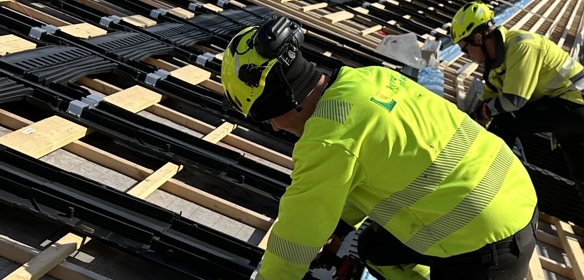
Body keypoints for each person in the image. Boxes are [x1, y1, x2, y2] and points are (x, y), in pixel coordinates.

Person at [221, 16, 539, 280]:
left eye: (266, 119)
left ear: (276, 100)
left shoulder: (327, 141)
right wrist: (341, 230)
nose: (274, 127)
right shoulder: (368, 79)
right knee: (375, 248)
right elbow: (370, 169)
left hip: (489, 242)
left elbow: (294, 239)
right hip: (513, 189)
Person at [450, 2, 584, 253]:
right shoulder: (494, 60)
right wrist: (474, 117)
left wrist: (484, 113)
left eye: (465, 48)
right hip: (576, 109)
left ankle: (496, 190)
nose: (465, 55)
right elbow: (490, 96)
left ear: (478, 38)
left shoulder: (522, 46)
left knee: (507, 121)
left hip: (577, 106)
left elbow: (514, 100)